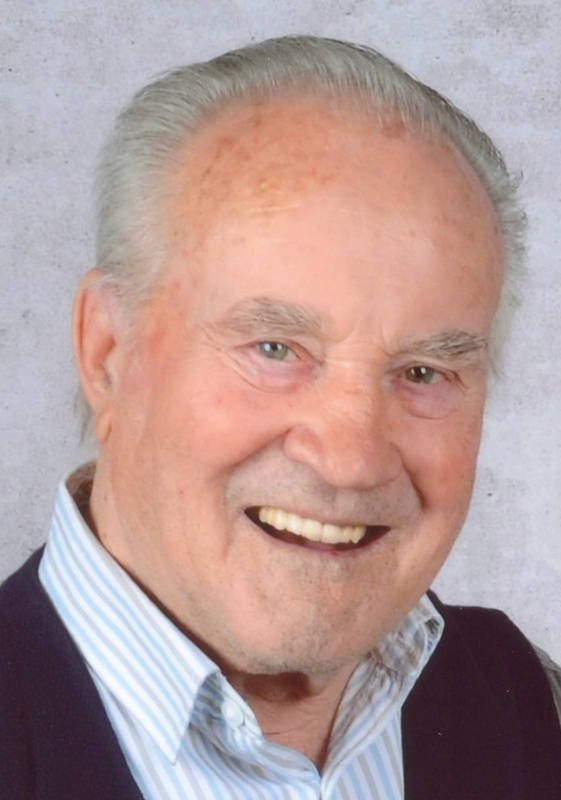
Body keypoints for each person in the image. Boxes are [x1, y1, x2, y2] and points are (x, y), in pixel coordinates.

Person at [1, 34, 560, 800]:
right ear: (107, 354)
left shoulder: (531, 710)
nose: (350, 461)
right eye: (274, 349)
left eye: (423, 372)